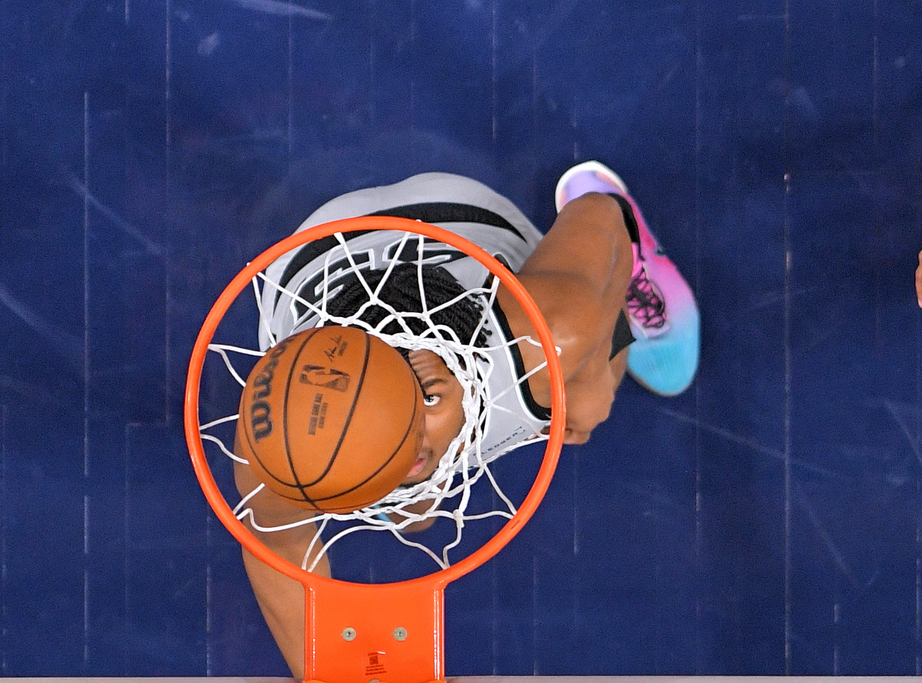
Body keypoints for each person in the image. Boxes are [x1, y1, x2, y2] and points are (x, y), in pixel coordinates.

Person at [232, 162, 700, 675]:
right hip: (316, 260)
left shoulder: (546, 339)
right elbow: (277, 543)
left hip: (466, 217)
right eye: (383, 442)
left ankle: (635, 275)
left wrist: (594, 374)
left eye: (420, 412)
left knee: (588, 400)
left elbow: (600, 214)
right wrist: (328, 674)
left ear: (446, 375)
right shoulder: (283, 449)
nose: (408, 456)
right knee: (412, 507)